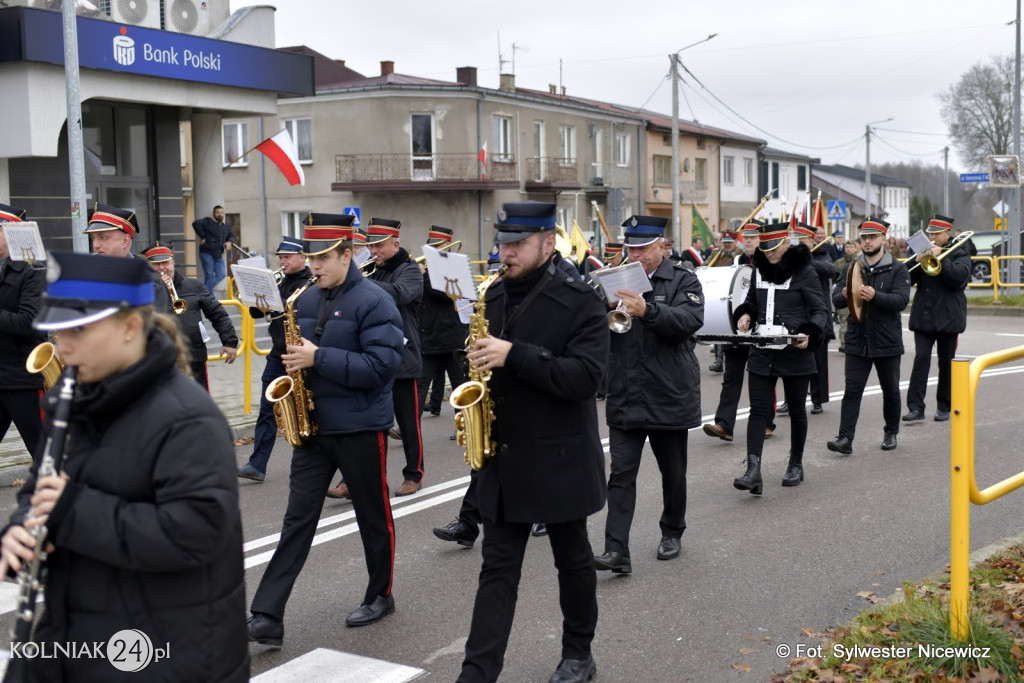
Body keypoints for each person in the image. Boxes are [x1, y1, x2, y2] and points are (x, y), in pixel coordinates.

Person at [0, 251, 248, 681]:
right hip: (75, 631)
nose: (63, 347)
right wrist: (19, 531)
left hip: (164, 651)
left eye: (77, 329)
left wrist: (72, 511)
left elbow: (195, 533)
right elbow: (40, 493)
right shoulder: (70, 400)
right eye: (58, 332)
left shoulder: (188, 418)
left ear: (131, 327)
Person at [456, 201, 608, 683]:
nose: (506, 252)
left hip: (558, 453)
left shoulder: (582, 299)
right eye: (502, 243)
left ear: (548, 243)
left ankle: (578, 653)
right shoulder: (492, 295)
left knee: (573, 559)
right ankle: (477, 673)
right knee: (496, 569)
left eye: (517, 244)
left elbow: (586, 379)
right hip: (504, 455)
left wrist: (514, 355)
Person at [247, 215, 404, 645]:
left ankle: (381, 594)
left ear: (347, 255)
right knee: (297, 520)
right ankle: (267, 615)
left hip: (359, 426)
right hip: (314, 430)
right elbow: (296, 352)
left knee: (373, 516)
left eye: (322, 259)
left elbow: (382, 366)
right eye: (311, 259)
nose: (313, 266)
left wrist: (320, 359)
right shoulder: (305, 298)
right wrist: (290, 362)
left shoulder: (375, 301)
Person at [594, 214, 703, 576]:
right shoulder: (616, 279)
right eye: (631, 249)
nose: (636, 255)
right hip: (626, 392)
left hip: (668, 392)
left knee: (672, 473)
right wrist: (604, 309)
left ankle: (672, 531)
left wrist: (648, 310)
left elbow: (687, 323)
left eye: (643, 248)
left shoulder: (684, 279)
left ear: (661, 245)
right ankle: (616, 550)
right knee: (621, 475)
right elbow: (592, 327)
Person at [732, 222, 828, 494]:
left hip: (794, 351)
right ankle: (753, 470)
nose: (770, 254)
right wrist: (745, 314)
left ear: (786, 243)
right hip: (762, 350)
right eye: (766, 249)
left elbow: (819, 310)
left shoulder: (804, 271)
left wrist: (810, 333)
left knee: (797, 410)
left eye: (774, 249)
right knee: (758, 411)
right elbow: (751, 300)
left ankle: (796, 463)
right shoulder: (758, 269)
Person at [828, 218, 910, 454]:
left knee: (891, 390)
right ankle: (845, 439)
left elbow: (901, 301)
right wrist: (844, 295)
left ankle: (891, 432)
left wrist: (876, 296)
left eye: (872, 237)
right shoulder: (851, 267)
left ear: (883, 239)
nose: (867, 241)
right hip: (857, 340)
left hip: (887, 341)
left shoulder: (897, 269)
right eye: (864, 237)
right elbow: (835, 300)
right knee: (852, 391)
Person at [238, 237, 313, 482]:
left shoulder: (311, 283)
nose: (283, 261)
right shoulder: (280, 281)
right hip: (278, 354)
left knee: (310, 410)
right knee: (266, 409)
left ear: (302, 257)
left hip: (302, 356)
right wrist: (257, 301)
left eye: (288, 257)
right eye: (280, 257)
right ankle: (257, 464)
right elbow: (257, 312)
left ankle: (319, 464)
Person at [364, 217, 426, 496]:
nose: (373, 251)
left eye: (379, 246)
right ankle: (365, 478)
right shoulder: (371, 272)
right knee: (373, 423)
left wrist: (358, 283)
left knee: (408, 424)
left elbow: (400, 295)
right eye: (370, 246)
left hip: (403, 358)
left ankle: (414, 474)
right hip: (375, 359)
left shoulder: (410, 270)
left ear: (395, 244)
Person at [702, 220, 777, 442]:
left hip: (761, 328)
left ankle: (765, 421)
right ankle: (724, 424)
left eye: (754, 236)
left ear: (763, 239)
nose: (749, 240)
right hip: (736, 327)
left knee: (763, 378)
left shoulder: (771, 263)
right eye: (747, 236)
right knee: (731, 377)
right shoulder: (736, 261)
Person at [903, 214, 970, 423]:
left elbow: (959, 280)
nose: (932, 237)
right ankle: (915, 407)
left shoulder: (959, 251)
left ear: (947, 234)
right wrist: (915, 261)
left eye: (937, 234)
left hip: (949, 317)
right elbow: (906, 278)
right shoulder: (919, 250)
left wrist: (942, 258)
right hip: (924, 315)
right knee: (921, 359)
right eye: (930, 233)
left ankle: (944, 405)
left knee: (946, 362)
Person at [143, 242, 238, 390]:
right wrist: (158, 290)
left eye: (165, 263)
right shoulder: (142, 292)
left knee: (199, 402)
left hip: (193, 356)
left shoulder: (193, 285)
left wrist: (229, 341)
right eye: (156, 264)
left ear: (173, 263)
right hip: (159, 359)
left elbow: (217, 313)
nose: (162, 268)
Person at [0, 204, 45, 455]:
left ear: (12, 234)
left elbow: (29, 322)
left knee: (44, 453)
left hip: (22, 378)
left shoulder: (32, 272)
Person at [85, 203, 172, 314]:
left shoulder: (147, 280)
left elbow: (154, 326)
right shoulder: (86, 274)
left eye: (103, 237)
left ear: (125, 241)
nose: (96, 245)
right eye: (93, 238)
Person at [418, 226, 467, 417]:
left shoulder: (454, 267)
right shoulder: (428, 269)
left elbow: (445, 295)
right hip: (430, 336)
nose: (434, 251)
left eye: (438, 246)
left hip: (451, 337)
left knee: (459, 386)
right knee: (421, 384)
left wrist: (423, 276)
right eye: (432, 247)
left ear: (447, 246)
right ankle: (408, 428)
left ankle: (464, 425)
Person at [793, 223, 835, 415]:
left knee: (818, 362)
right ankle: (791, 399)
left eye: (802, 242)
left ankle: (818, 399)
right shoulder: (790, 259)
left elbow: (830, 270)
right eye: (796, 242)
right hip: (797, 316)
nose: (798, 246)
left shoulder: (821, 254)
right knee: (792, 361)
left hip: (818, 317)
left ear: (811, 241)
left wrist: (806, 259)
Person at [707, 230, 741, 373]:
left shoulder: (741, 254)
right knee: (718, 323)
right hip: (720, 290)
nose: (727, 246)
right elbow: (706, 267)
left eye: (729, 243)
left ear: (734, 243)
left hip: (736, 290)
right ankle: (719, 360)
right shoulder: (716, 254)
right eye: (725, 243)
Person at [192, 204, 234, 294]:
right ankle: (210, 298)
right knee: (209, 275)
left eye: (221, 213)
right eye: (217, 213)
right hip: (206, 253)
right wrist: (202, 236)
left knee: (222, 275)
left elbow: (231, 235)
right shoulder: (207, 221)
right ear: (213, 214)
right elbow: (195, 224)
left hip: (218, 255)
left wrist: (229, 242)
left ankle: (204, 292)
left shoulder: (225, 225)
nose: (220, 214)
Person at [833, 238, 862, 350]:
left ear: (856, 249)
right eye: (847, 247)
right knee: (844, 317)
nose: (849, 249)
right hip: (843, 293)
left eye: (851, 247)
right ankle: (844, 342)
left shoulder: (859, 261)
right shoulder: (839, 262)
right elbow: (834, 277)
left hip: (856, 294)